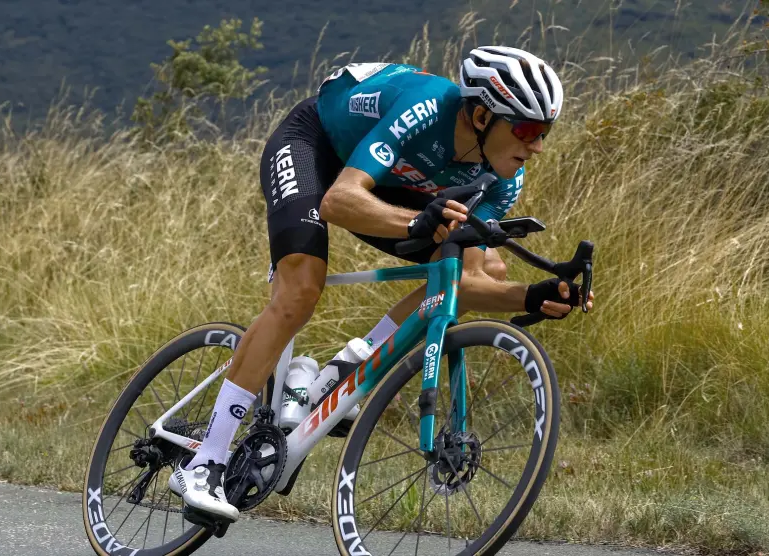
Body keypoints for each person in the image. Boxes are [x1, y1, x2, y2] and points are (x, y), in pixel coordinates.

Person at [168, 46, 595, 521]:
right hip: (319, 149)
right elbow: (339, 201)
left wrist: (531, 294)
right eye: (527, 130)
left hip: (395, 183)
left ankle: (349, 365)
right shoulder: (426, 109)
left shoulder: (501, 179)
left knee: (484, 266)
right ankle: (206, 461)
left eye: (545, 133)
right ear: (479, 115)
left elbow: (465, 279)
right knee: (301, 290)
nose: (537, 146)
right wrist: (417, 222)